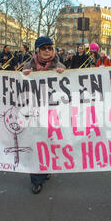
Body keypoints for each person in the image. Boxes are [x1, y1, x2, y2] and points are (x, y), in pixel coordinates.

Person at [22, 36, 65, 194]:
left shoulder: (59, 65)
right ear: (37, 51)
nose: (47, 51)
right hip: (34, 112)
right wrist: (24, 76)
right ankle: (36, 179)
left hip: (53, 112)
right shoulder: (29, 65)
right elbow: (21, 86)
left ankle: (45, 169)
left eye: (49, 48)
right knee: (36, 144)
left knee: (48, 143)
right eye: (43, 48)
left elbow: (67, 87)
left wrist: (62, 74)